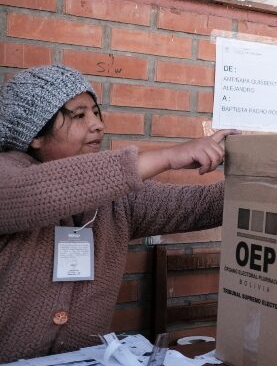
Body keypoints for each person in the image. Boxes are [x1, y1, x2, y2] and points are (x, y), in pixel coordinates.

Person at [0, 65, 238, 362]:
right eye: (79, 115)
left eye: (96, 113)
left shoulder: (117, 198)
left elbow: (200, 205)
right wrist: (167, 157)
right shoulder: (8, 174)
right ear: (35, 134)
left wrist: (268, 176)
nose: (97, 124)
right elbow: (34, 191)